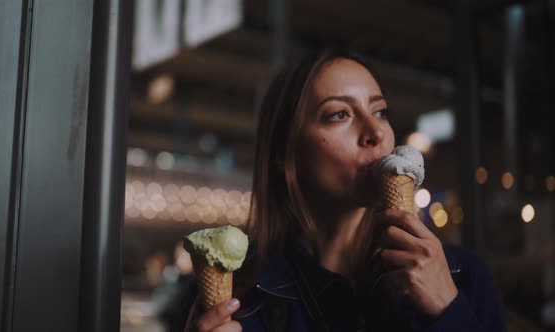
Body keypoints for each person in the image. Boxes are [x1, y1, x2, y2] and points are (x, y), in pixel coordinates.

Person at [174, 49, 507, 332]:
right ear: (284, 153)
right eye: (339, 114)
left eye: (380, 112)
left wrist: (448, 311)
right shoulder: (239, 301)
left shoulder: (461, 275)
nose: (375, 131)